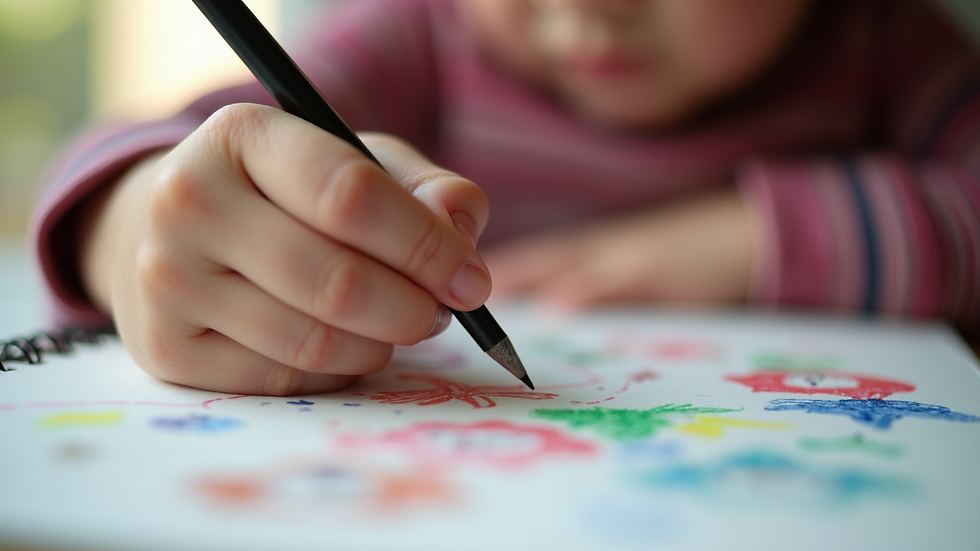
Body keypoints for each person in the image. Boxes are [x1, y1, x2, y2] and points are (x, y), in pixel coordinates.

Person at [31, 0, 980, 395]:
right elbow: (177, 142)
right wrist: (131, 218)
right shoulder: (423, 38)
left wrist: (754, 237)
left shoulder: (883, 50)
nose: (584, 11)